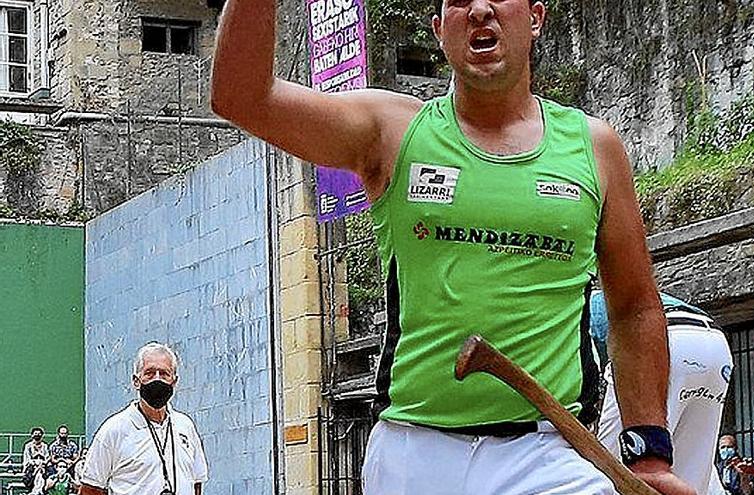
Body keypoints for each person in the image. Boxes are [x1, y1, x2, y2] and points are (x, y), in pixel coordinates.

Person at [212, 0, 695, 493]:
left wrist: (649, 454)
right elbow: (242, 97)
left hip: (546, 456)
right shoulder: (393, 132)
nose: (480, 9)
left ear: (535, 16)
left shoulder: (594, 147)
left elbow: (634, 306)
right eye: (459, 1)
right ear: (440, 31)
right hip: (411, 454)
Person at [593, 290, 733, 494]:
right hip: (715, 344)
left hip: (660, 339)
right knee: (688, 480)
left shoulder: (572, 306)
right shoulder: (603, 294)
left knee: (606, 472)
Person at [79, 343, 208, 495]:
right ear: (136, 381)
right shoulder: (113, 430)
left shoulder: (185, 426)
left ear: (174, 381)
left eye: (164, 374)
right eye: (150, 373)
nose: (157, 379)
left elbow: (196, 482)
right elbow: (90, 489)